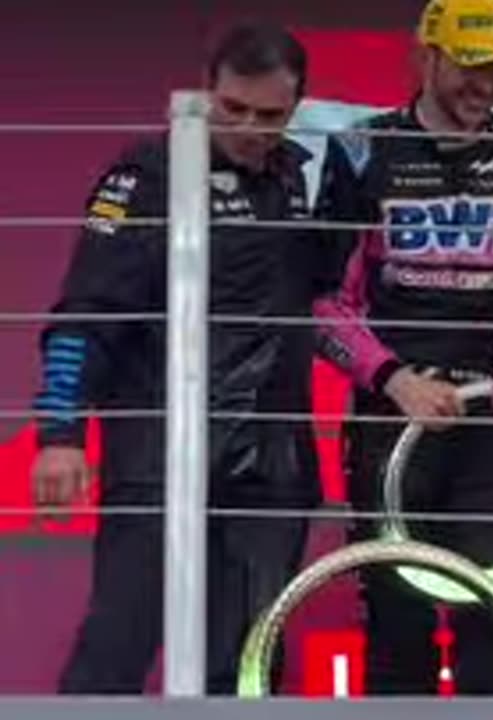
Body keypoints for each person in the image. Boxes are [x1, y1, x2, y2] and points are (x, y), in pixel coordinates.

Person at [30, 22, 336, 694]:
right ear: (206, 92)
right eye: (234, 109)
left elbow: (321, 312)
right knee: (116, 651)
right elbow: (85, 311)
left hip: (271, 468)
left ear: (297, 107)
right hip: (158, 459)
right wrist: (59, 434)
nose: (250, 128)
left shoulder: (302, 182)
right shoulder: (146, 176)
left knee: (248, 671)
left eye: (270, 115)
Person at [312, 0, 493, 695]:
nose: (483, 84)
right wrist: (394, 380)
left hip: (487, 422)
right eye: (467, 65)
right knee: (397, 623)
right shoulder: (361, 150)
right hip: (389, 420)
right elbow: (322, 305)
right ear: (425, 57)